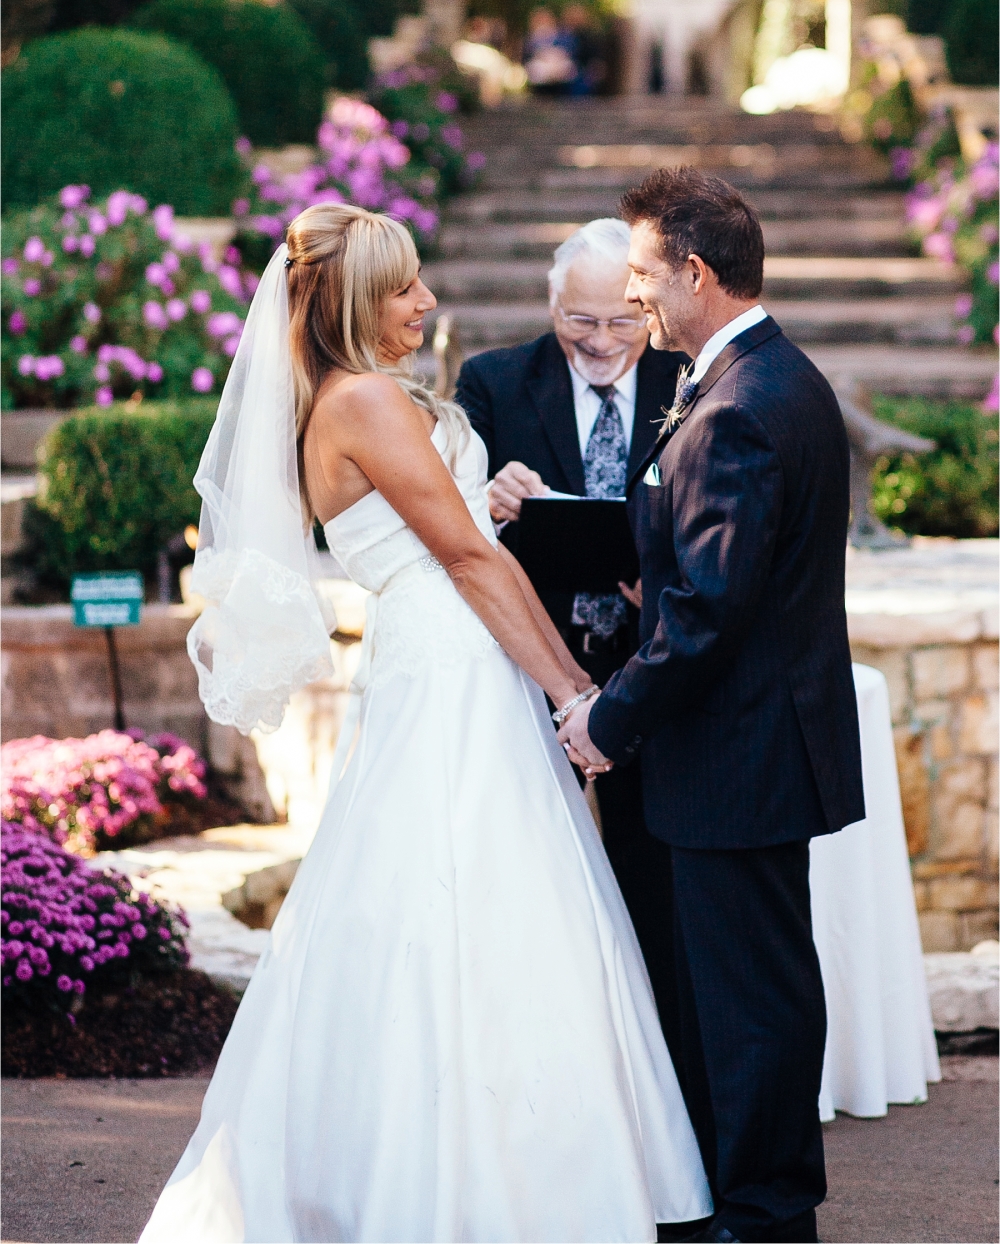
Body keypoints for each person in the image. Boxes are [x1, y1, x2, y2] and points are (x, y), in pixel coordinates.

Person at [140, 202, 711, 1243]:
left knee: (463, 895)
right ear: (359, 301)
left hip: (452, 656)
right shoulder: (361, 402)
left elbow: (465, 543)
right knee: (466, 898)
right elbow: (471, 564)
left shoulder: (356, 400)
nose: (427, 302)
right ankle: (471, 1180)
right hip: (449, 668)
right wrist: (574, 697)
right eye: (405, 288)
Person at [558, 168, 865, 1244]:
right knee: (744, 992)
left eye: (644, 272)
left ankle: (768, 1216)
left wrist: (607, 718)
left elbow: (707, 615)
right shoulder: (752, 377)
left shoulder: (740, 402)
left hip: (738, 755)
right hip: (743, 747)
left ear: (694, 272)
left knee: (753, 1004)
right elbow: (717, 573)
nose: (635, 293)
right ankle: (750, 1199)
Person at [455, 220, 689, 1037]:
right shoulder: (490, 381)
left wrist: (661, 581)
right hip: (530, 662)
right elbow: (448, 528)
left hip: (650, 665)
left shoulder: (687, 380)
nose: (598, 341)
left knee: (650, 880)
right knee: (526, 877)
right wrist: (485, 495)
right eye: (577, 322)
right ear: (551, 305)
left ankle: (656, 1052)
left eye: (620, 322)